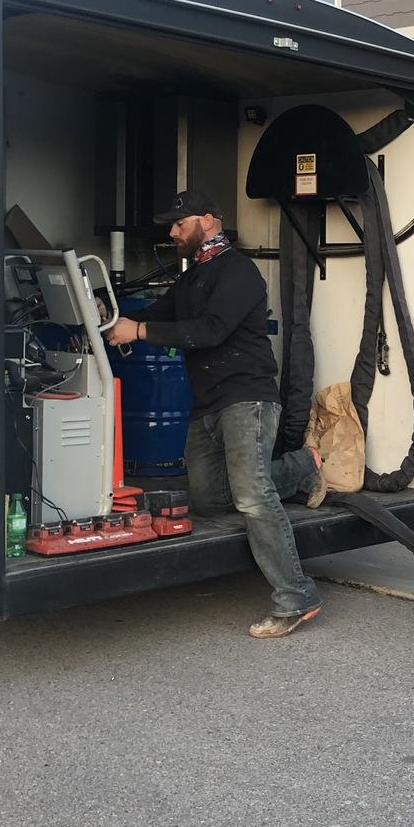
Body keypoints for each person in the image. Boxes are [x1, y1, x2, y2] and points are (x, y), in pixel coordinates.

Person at [104, 189, 326, 640]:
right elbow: (152, 313)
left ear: (208, 221)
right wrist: (108, 317)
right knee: (211, 499)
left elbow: (210, 331)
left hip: (248, 397)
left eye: (179, 224)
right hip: (205, 403)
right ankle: (303, 467)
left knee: (252, 498)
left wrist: (140, 330)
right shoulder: (189, 281)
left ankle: (297, 595)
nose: (171, 232)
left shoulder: (239, 272)